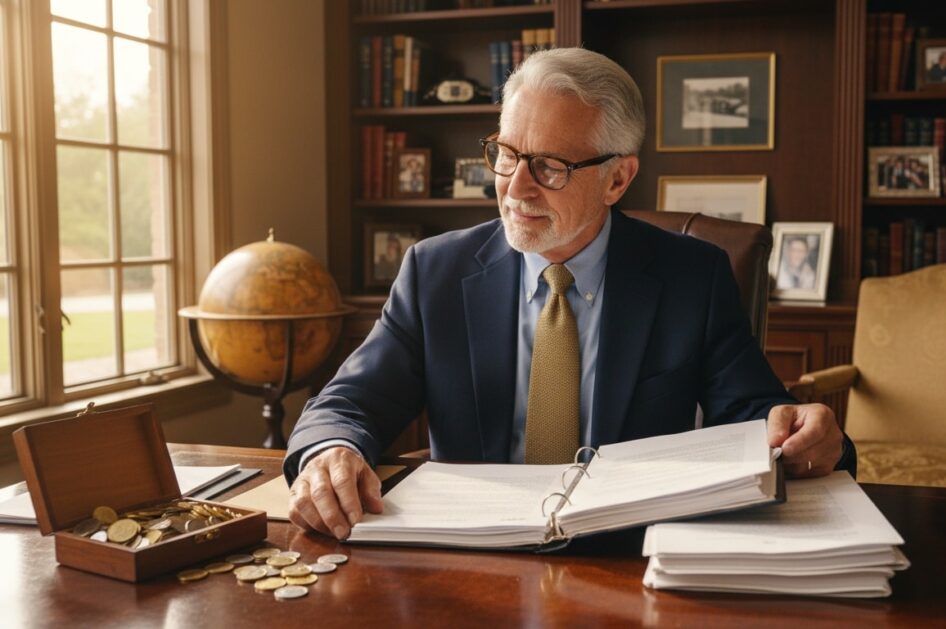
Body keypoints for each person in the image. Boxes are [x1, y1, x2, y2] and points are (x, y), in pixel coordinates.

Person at [283, 48, 854, 540]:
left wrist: (805, 428)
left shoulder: (692, 276)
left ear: (618, 179)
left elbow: (758, 416)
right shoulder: (435, 271)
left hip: (627, 551)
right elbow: (348, 403)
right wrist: (330, 449)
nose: (516, 187)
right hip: (471, 550)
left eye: (550, 166)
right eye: (507, 155)